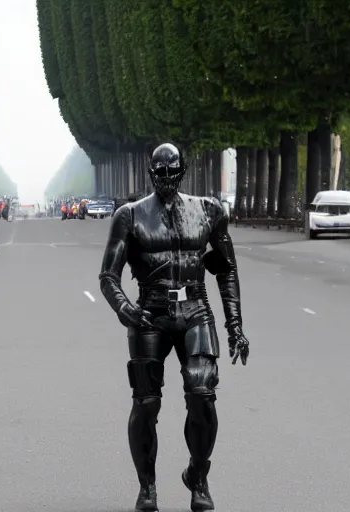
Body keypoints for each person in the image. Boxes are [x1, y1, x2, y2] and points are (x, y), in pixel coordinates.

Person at [99, 143, 249, 512]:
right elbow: (108, 276)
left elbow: (226, 269)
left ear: (182, 172)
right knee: (146, 404)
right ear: (151, 174)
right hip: (150, 312)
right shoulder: (129, 216)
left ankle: (198, 474)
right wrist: (127, 310)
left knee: (202, 394)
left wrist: (235, 326)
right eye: (159, 173)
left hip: (196, 307)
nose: (166, 179)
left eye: (172, 172)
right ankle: (147, 486)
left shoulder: (209, 211)